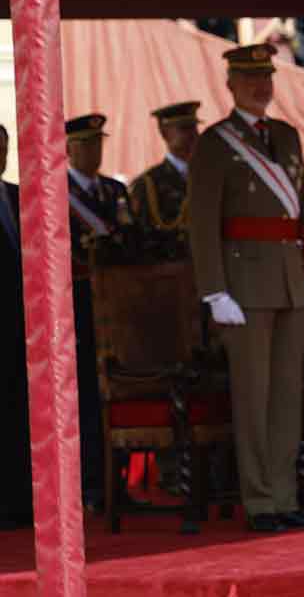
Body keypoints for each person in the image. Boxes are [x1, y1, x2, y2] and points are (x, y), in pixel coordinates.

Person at [188, 44, 304, 532]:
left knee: (288, 396)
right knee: (253, 397)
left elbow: (300, 215)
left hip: (290, 278)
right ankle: (261, 502)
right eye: (250, 78)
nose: (261, 85)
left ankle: (286, 495)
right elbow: (202, 224)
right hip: (242, 284)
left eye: (266, 76)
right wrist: (214, 291)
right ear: (230, 84)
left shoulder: (288, 137)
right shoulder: (214, 143)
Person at [65, 113, 132, 513]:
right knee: (88, 398)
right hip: (82, 311)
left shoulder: (114, 190)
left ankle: (117, 483)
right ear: (69, 150)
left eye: (97, 143)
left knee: (119, 392)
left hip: (120, 311)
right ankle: (91, 484)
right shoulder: (57, 193)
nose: (93, 151)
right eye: (85, 144)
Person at [0, 125, 32, 528]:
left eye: (4, 148)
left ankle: (21, 501)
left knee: (20, 415)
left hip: (23, 330)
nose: (1, 156)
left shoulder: (19, 197)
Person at [129, 101, 201, 248]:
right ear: (164, 133)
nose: (193, 134)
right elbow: (142, 235)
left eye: (194, 127)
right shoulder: (148, 184)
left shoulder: (210, 175)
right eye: (184, 128)